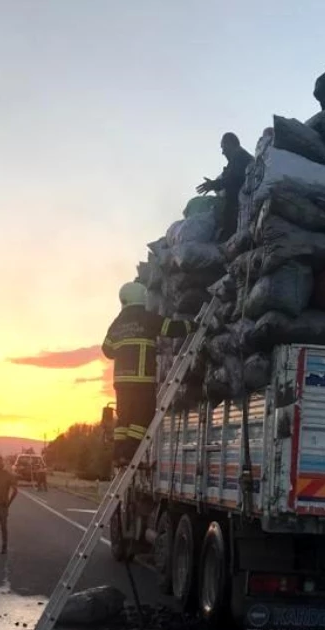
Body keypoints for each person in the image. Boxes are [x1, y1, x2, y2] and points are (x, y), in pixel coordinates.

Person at [102, 282, 193, 465]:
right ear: (141, 297)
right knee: (143, 417)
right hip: (141, 379)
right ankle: (129, 454)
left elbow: (107, 350)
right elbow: (171, 328)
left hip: (121, 382)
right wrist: (192, 325)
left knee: (124, 419)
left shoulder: (117, 324)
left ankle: (118, 455)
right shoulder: (146, 318)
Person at [196, 132, 253, 242]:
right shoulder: (239, 158)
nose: (222, 152)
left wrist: (213, 184)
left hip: (238, 210)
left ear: (231, 144)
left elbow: (233, 179)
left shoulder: (239, 156)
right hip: (240, 210)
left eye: (223, 147)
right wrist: (215, 184)